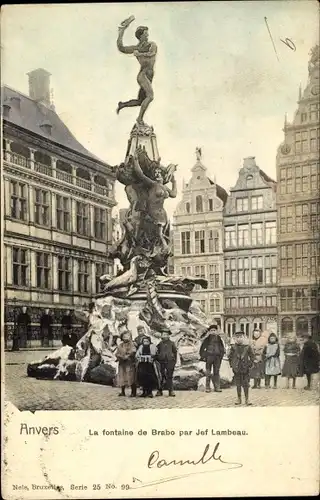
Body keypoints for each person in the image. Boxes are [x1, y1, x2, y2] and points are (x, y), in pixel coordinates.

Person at [117, 20, 157, 125]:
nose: (147, 35)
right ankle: (139, 119)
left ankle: (123, 105)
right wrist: (121, 32)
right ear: (141, 36)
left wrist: (138, 54)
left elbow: (151, 54)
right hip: (143, 76)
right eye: (145, 34)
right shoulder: (137, 48)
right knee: (150, 96)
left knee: (140, 101)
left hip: (149, 76)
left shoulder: (151, 45)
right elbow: (121, 48)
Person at [228, 331, 255, 406]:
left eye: (241, 337)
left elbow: (252, 356)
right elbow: (229, 357)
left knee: (246, 384)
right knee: (238, 384)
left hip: (245, 368)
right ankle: (239, 398)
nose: (239, 339)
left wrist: (250, 364)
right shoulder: (233, 347)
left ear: (244, 338)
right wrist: (232, 365)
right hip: (236, 368)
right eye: (237, 337)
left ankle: (247, 399)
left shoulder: (247, 347)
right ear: (235, 339)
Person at [199, 324, 225, 392]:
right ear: (209, 332)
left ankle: (217, 387)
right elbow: (202, 349)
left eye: (214, 330)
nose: (213, 331)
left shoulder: (219, 339)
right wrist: (204, 356)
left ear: (216, 331)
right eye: (211, 330)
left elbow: (222, 348)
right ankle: (208, 387)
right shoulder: (207, 339)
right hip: (209, 358)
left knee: (216, 372)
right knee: (208, 373)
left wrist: (220, 356)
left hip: (217, 358)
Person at [156, 330, 177, 397]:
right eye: (163, 334)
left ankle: (171, 391)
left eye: (166, 334)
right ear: (161, 336)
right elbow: (157, 351)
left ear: (168, 336)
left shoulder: (172, 343)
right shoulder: (160, 344)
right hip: (161, 361)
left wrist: (174, 361)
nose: (164, 336)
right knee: (161, 376)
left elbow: (175, 352)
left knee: (169, 376)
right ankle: (160, 390)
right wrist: (159, 357)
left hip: (170, 361)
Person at [115, 331, 137, 397]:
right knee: (122, 377)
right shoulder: (120, 345)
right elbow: (117, 353)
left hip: (129, 363)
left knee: (131, 377)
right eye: (124, 336)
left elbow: (133, 351)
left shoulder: (132, 344)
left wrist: (127, 356)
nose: (125, 338)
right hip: (122, 363)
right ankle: (122, 391)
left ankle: (133, 392)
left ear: (130, 337)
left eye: (127, 336)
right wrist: (119, 356)